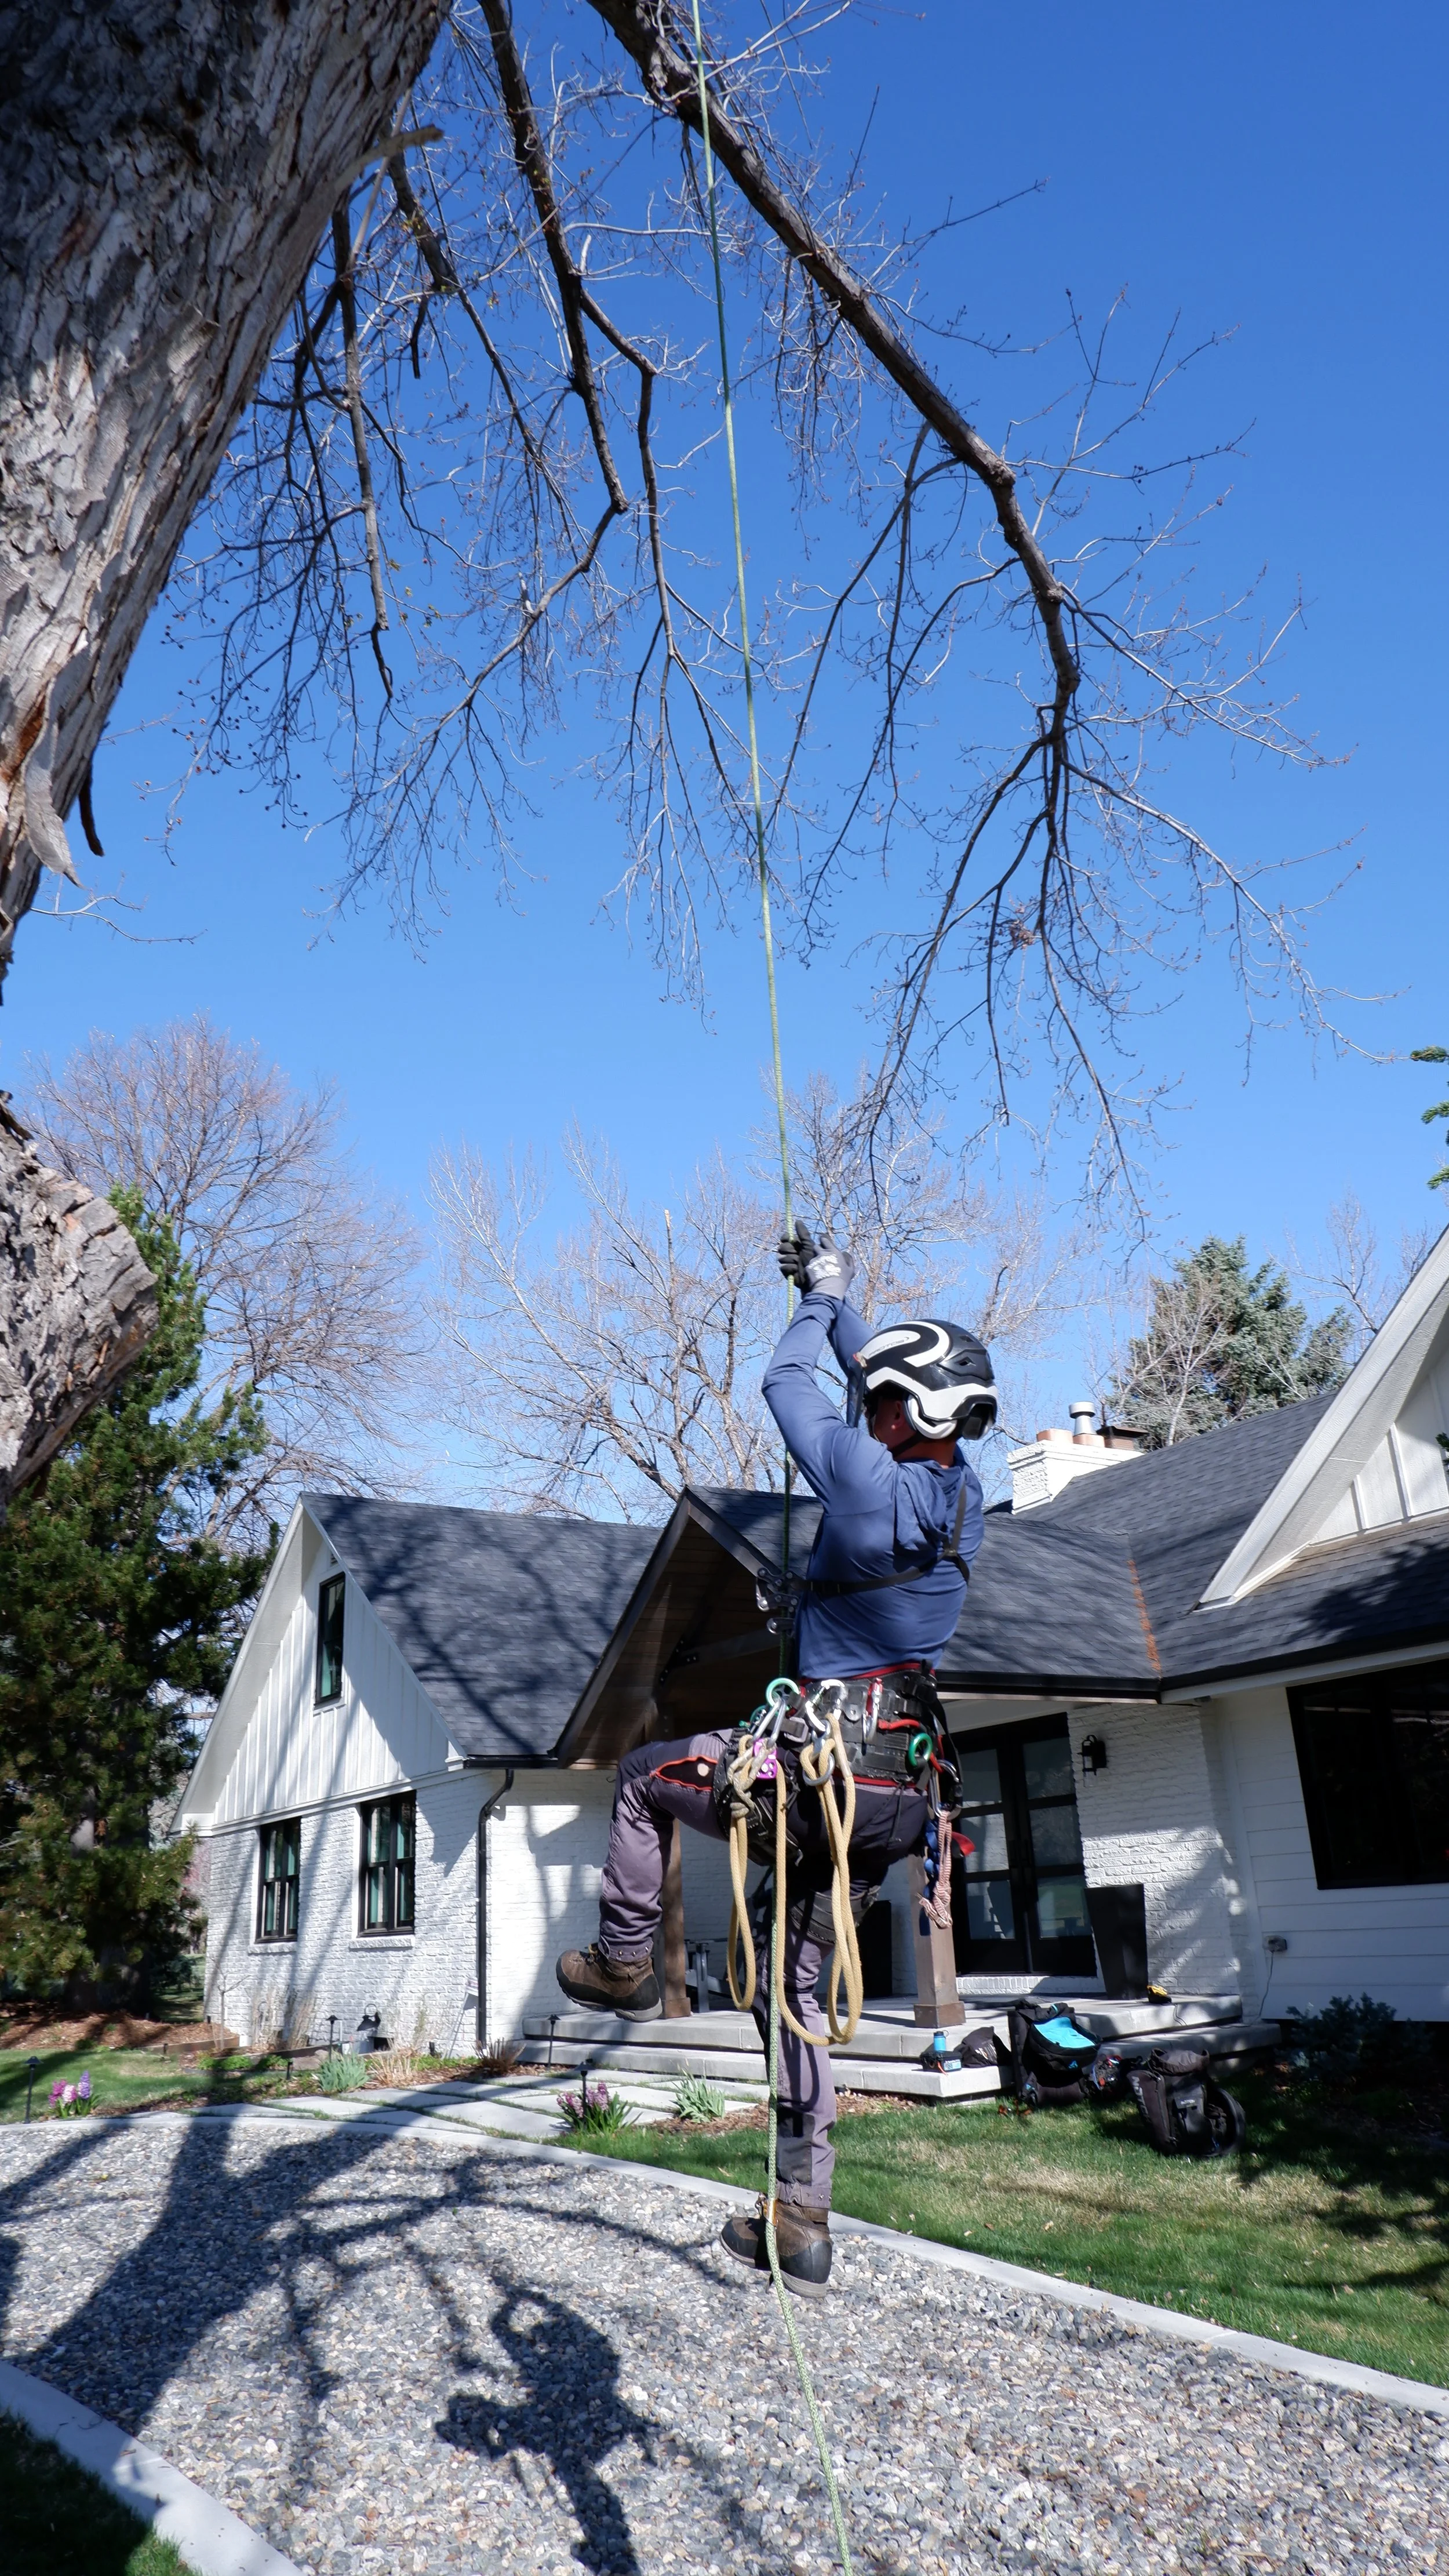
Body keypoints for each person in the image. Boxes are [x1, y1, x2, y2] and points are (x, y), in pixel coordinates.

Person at [555, 1227, 996, 2297]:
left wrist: (814, 1306)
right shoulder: (965, 1501)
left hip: (815, 1776)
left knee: (642, 1774)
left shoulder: (856, 1474)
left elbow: (785, 1377)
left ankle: (622, 1960)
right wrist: (837, 1297)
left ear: (908, 1415)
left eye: (886, 1402)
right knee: (790, 1991)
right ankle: (802, 2215)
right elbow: (864, 1375)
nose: (872, 1412)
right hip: (893, 1798)